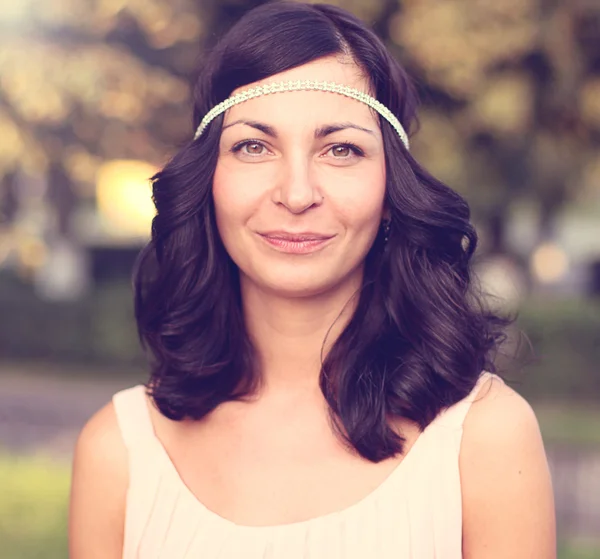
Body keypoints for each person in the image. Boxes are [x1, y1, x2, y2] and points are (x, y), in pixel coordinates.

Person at [68, 2, 556, 557]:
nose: (296, 194)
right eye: (254, 146)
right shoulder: (119, 450)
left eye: (341, 149)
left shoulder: (485, 439)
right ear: (207, 181)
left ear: (393, 188)